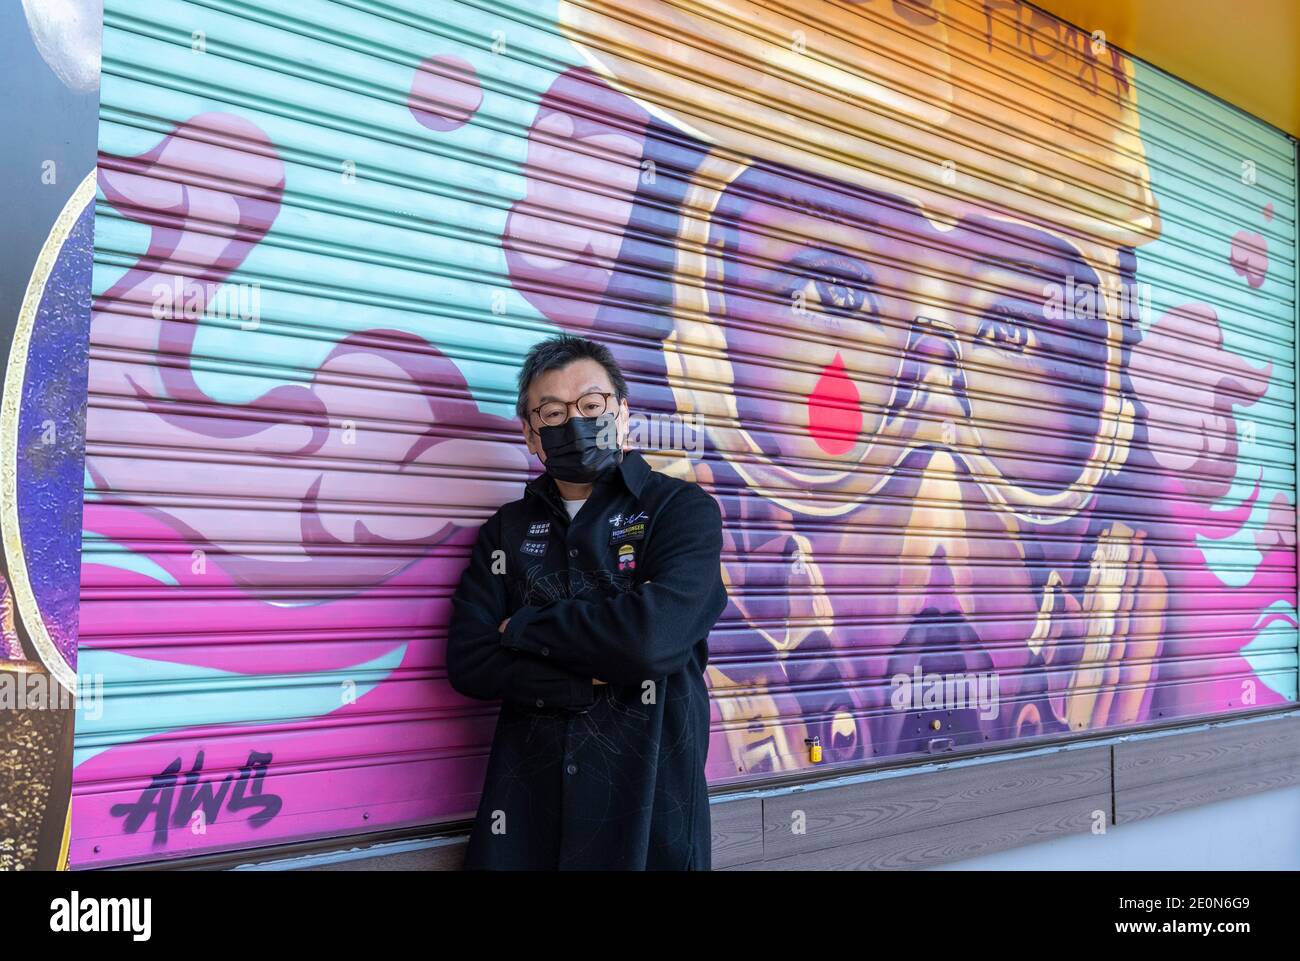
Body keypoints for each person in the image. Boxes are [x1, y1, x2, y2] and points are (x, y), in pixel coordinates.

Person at [446, 333, 728, 870]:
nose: (574, 422)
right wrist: (580, 681)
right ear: (531, 435)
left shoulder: (680, 512)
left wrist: (525, 627)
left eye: (591, 405)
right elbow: (470, 661)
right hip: (528, 807)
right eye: (551, 412)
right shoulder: (506, 531)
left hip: (649, 797)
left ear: (622, 413)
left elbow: (651, 639)